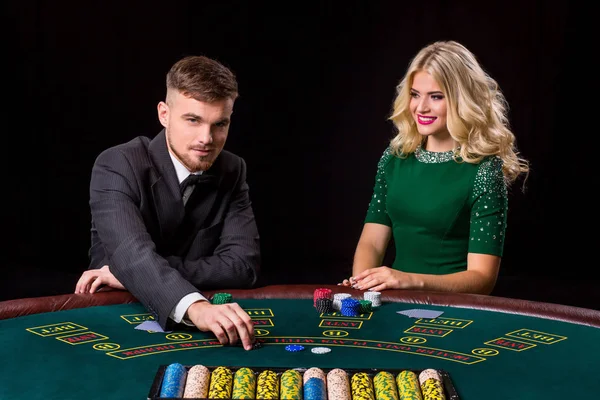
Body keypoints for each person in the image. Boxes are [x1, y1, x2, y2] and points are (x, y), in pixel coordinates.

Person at [74, 55, 261, 351]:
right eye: (193, 120)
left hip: (208, 328)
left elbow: (242, 267)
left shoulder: (232, 169)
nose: (206, 138)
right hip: (119, 316)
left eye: (219, 124)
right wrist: (196, 306)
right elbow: (130, 254)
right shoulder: (118, 164)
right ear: (164, 114)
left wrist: (128, 273)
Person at [341, 40, 529, 295]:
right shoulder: (394, 158)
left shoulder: (485, 171)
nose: (421, 107)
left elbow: (483, 279)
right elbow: (372, 243)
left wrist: (407, 280)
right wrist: (362, 286)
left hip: (454, 308)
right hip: (392, 299)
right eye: (415, 95)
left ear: (462, 99)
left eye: (436, 97)